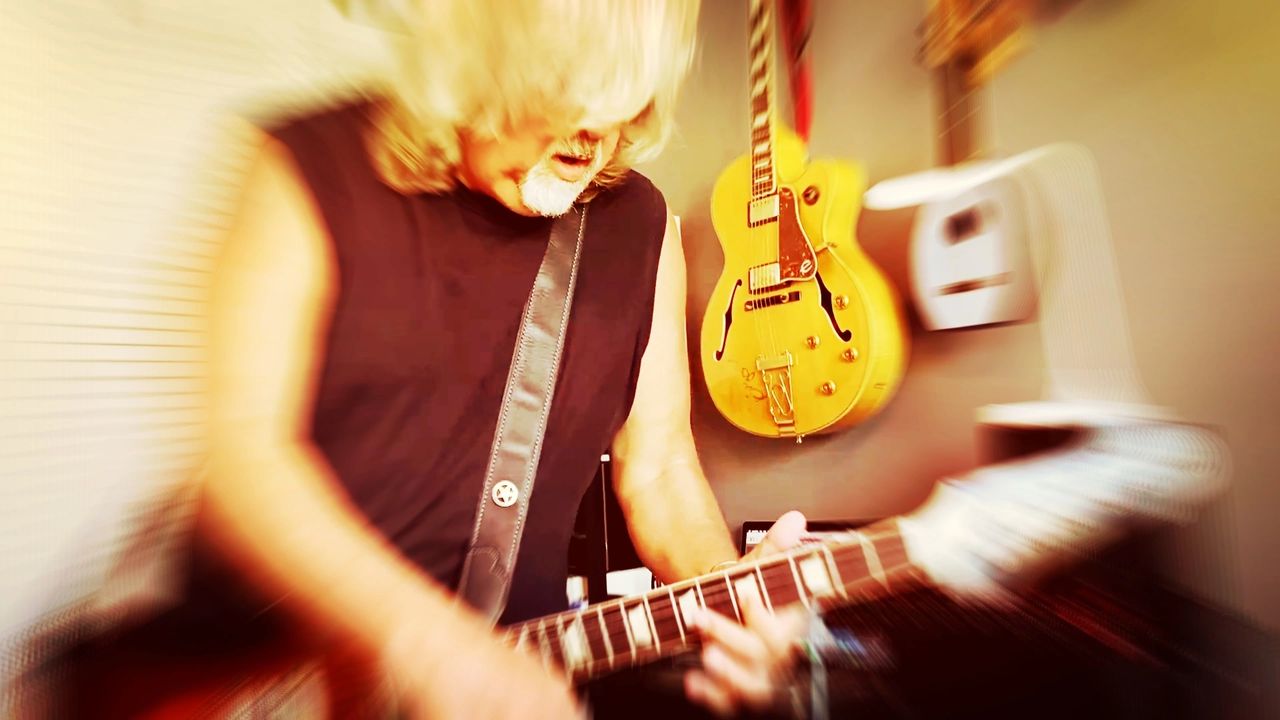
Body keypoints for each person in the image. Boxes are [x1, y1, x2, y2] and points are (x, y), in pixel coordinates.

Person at [203, 1, 808, 717]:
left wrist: (728, 600)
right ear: (482, 60)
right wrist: (425, 646)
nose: (595, 140)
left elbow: (661, 469)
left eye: (625, 102)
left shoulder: (640, 227)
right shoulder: (307, 167)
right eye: (568, 92)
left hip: (523, 680)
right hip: (275, 682)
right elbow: (243, 461)